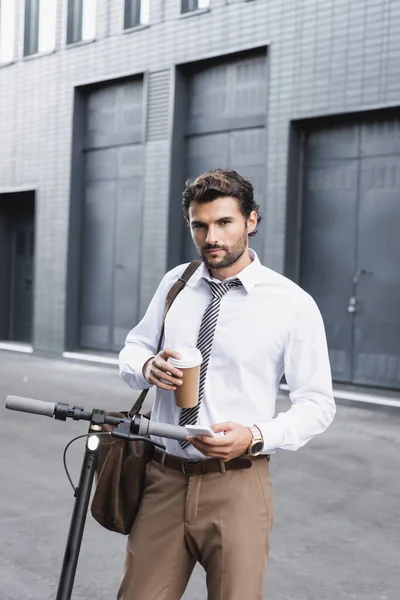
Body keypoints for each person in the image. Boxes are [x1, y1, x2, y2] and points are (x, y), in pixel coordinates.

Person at [118, 169, 336, 600]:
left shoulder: (292, 304)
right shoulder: (176, 284)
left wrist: (255, 435)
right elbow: (134, 345)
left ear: (251, 221)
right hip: (164, 477)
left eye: (224, 223)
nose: (210, 237)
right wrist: (145, 366)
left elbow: (317, 403)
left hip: (238, 482)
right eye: (199, 225)